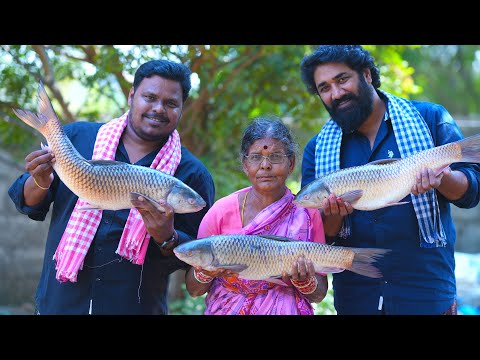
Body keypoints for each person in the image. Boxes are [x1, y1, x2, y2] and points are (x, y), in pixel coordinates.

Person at [8, 59, 215, 315]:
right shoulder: (77, 138)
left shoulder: (192, 174)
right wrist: (40, 181)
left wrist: (167, 236)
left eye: (171, 103)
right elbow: (25, 202)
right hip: (60, 304)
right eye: (149, 97)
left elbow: (196, 259)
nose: (158, 108)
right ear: (131, 96)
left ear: (182, 107)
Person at [299, 45, 480, 315]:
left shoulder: (430, 119)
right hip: (357, 299)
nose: (335, 93)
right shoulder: (318, 149)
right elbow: (318, 235)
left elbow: (472, 192)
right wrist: (334, 214)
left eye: (342, 79)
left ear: (367, 74)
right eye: (324, 88)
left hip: (426, 294)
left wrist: (442, 178)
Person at [184, 116, 328, 315]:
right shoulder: (221, 212)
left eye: (276, 156)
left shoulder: (307, 213)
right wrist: (206, 270)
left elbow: (319, 294)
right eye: (256, 157)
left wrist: (305, 281)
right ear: (245, 164)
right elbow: (194, 289)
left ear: (291, 163)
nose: (265, 165)